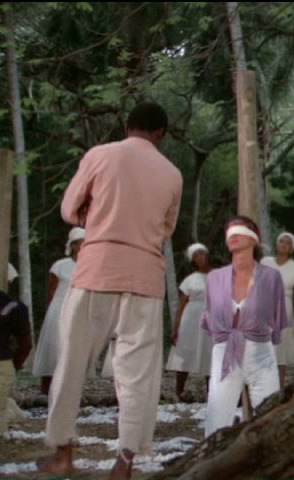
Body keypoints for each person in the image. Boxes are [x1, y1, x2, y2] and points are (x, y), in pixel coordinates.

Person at [36, 102, 183, 480]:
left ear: (128, 126)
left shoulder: (100, 155)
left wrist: (92, 216)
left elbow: (69, 210)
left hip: (97, 269)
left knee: (72, 365)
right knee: (137, 376)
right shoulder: (172, 173)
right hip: (145, 276)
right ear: (160, 134)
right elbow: (166, 230)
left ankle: (63, 454)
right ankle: (125, 462)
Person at [202, 216, 287, 435]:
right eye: (229, 232)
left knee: (270, 417)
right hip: (225, 352)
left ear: (253, 239)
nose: (233, 235)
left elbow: (278, 316)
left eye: (239, 231)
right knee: (217, 416)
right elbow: (208, 317)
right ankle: (215, 455)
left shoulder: (271, 277)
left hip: (260, 351)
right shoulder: (214, 278)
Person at [32, 227, 85, 396]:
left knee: (75, 349)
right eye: (81, 243)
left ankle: (71, 389)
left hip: (80, 309)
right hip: (59, 308)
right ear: (73, 245)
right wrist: (51, 313)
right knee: (54, 347)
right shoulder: (60, 266)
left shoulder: (90, 266)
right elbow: (51, 292)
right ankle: (47, 390)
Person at [166, 243, 213, 399]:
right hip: (191, 319)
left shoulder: (218, 276)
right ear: (193, 261)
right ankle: (179, 391)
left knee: (210, 352)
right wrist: (176, 328)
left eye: (201, 253)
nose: (200, 257)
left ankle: (212, 393)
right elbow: (181, 305)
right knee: (186, 352)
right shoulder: (190, 280)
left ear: (207, 255)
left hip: (211, 318)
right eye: (196, 256)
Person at [261, 232, 294, 386]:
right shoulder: (265, 262)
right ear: (276, 244)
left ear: (292, 248)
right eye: (281, 241)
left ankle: (279, 387)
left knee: (280, 352)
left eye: (288, 243)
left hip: (285, 308)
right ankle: (263, 386)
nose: (284, 245)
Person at [0, 290, 32, 436]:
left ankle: (8, 410)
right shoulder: (13, 305)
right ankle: (8, 409)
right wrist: (15, 365)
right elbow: (25, 344)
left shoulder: (13, 305)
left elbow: (26, 344)